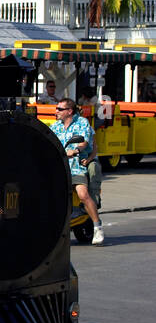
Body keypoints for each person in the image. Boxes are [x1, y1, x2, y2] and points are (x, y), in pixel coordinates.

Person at [51, 98, 103, 245]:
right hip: (59, 167)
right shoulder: (55, 127)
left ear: (69, 111)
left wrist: (75, 150)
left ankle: (97, 226)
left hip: (75, 166)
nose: (56, 111)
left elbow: (85, 142)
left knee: (83, 194)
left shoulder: (82, 123)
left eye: (60, 109)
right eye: (56, 108)